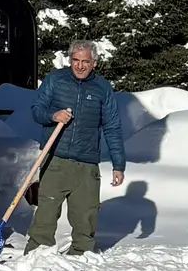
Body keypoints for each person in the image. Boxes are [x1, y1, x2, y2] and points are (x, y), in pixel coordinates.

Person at [25, 40, 126, 255]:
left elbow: (112, 126)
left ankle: (81, 257)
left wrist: (119, 164)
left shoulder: (102, 88)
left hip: (87, 162)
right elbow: (36, 110)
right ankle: (35, 256)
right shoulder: (55, 80)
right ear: (70, 60)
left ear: (94, 63)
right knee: (46, 212)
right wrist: (53, 115)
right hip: (56, 159)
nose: (80, 66)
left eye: (85, 61)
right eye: (76, 61)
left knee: (85, 217)